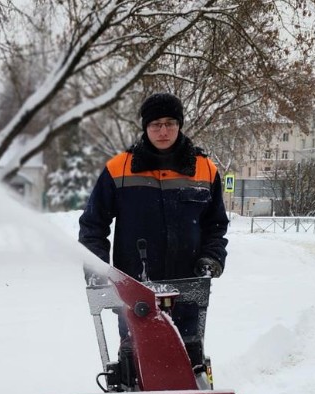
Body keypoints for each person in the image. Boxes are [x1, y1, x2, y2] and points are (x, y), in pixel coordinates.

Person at [78, 92, 229, 343]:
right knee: (135, 359)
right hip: (135, 288)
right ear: (145, 127)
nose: (163, 131)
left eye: (170, 123)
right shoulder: (119, 169)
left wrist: (211, 258)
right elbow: (93, 224)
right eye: (156, 124)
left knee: (187, 355)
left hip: (188, 288)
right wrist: (97, 266)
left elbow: (216, 225)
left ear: (179, 125)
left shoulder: (205, 169)